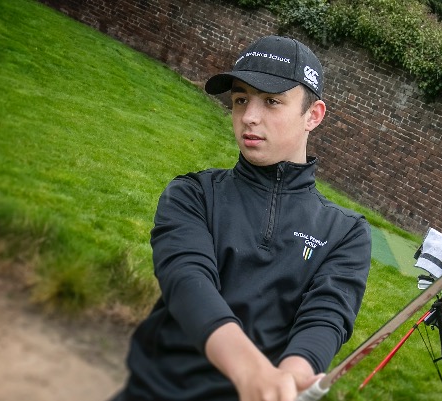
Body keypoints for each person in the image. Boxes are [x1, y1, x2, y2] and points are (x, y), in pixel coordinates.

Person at [111, 35, 372, 401]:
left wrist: (293, 375)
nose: (249, 116)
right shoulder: (193, 194)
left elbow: (326, 315)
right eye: (240, 99)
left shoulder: (346, 232)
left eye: (271, 101)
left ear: (313, 115)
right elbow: (187, 282)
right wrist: (250, 371)